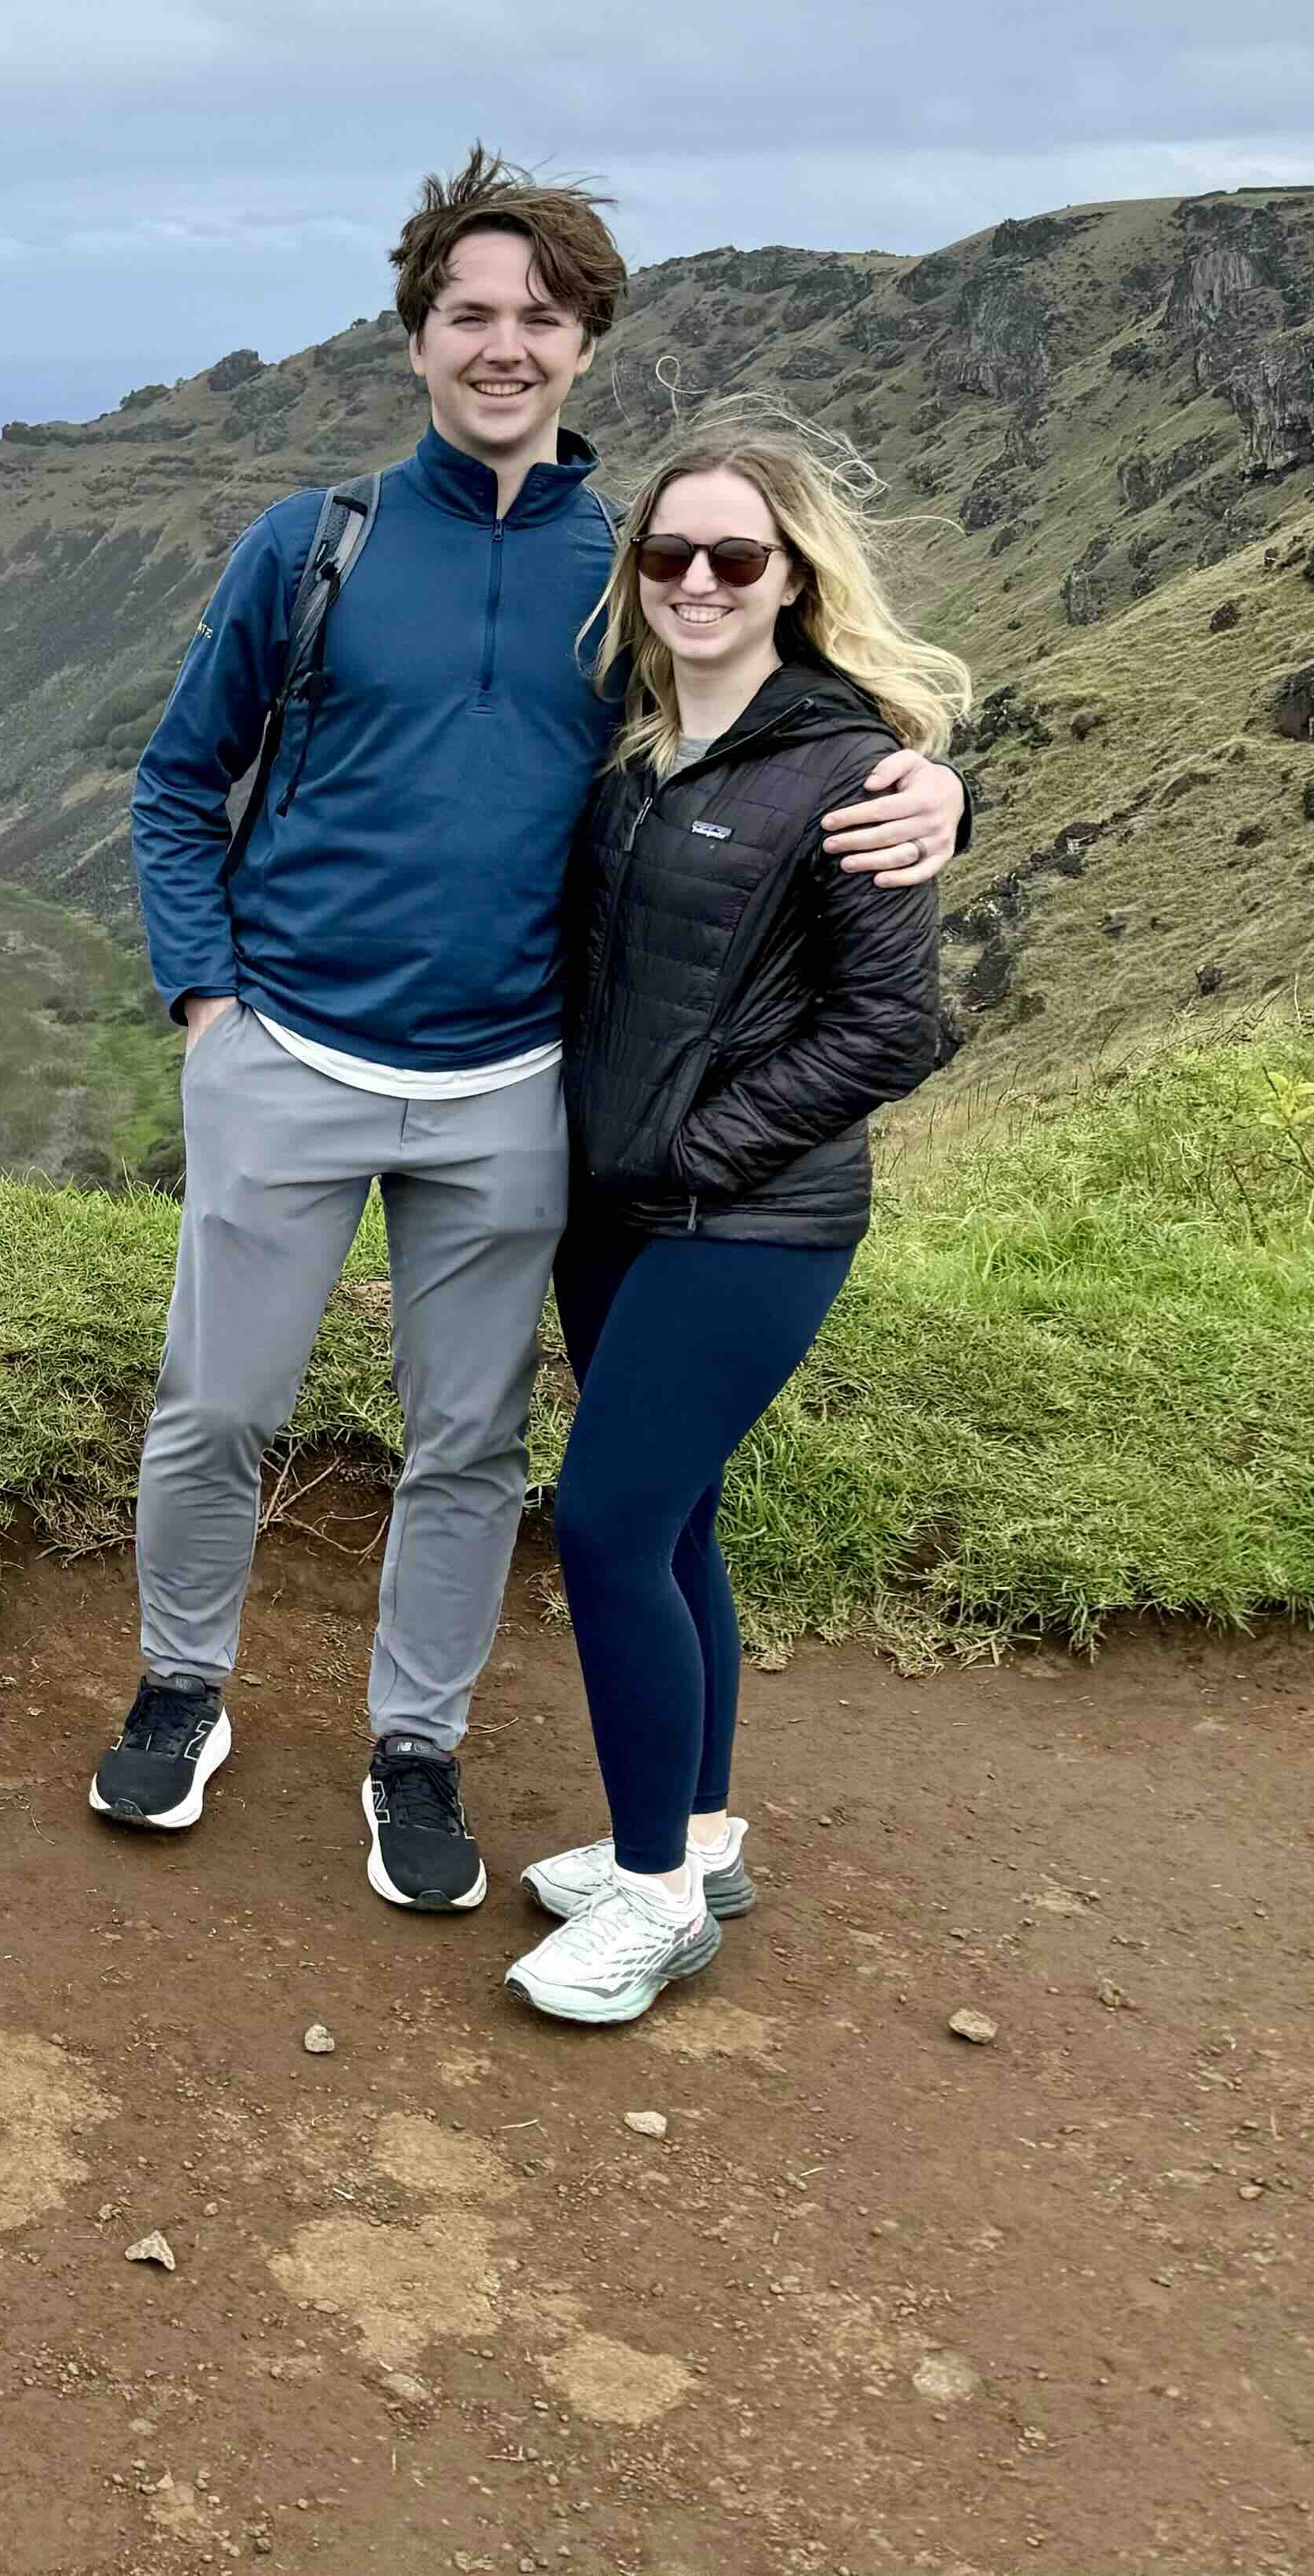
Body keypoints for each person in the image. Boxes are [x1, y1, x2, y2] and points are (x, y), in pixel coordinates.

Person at [98, 152, 964, 1914]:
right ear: (416, 337)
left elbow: (788, 722)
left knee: (470, 1444)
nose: (505, 346)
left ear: (586, 348)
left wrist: (941, 789)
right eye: (469, 314)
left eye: (540, 318)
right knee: (215, 1408)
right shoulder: (315, 542)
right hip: (290, 1052)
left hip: (512, 1090)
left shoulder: (626, 565)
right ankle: (182, 1689)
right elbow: (181, 783)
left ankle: (414, 1748)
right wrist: (203, 1000)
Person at [504, 411, 966, 2021]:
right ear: (638, 576)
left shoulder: (852, 774)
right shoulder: (637, 750)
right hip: (618, 1212)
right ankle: (696, 1840)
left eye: (735, 555)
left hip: (746, 1224)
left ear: (791, 580)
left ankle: (650, 1907)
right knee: (677, 1515)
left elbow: (891, 1029)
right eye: (669, 551)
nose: (698, 578)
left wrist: (700, 1146)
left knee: (609, 1524)